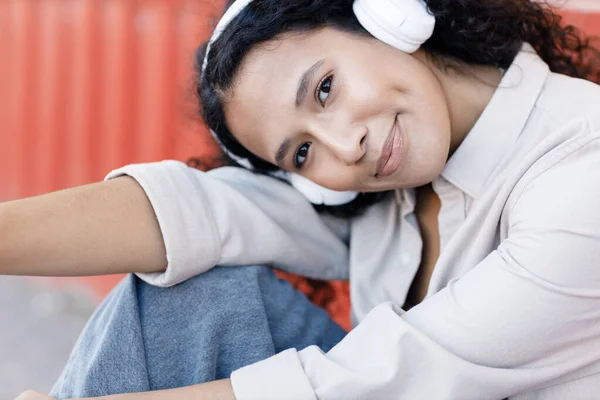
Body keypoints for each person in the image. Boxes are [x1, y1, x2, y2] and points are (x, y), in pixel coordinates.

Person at [6, 0, 600, 398]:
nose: (345, 145)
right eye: (301, 154)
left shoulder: (582, 166)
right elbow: (205, 211)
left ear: (387, 18)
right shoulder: (392, 186)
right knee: (194, 296)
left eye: (324, 88)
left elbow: (370, 382)